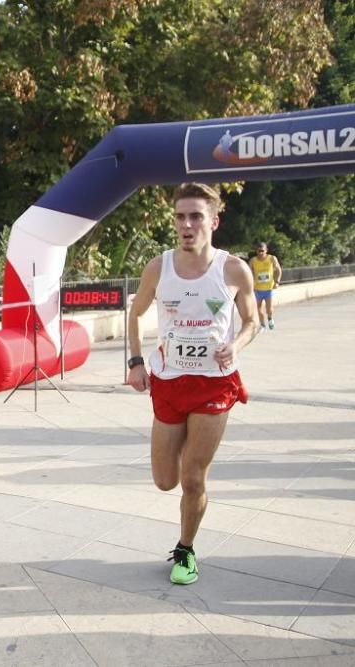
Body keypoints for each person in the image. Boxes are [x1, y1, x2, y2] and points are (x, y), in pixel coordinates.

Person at [127, 182, 259, 585]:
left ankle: (185, 550)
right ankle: (183, 452)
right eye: (180, 217)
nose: (187, 225)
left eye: (196, 216)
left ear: (214, 221)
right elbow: (134, 315)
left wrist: (235, 345)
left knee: (193, 477)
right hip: (168, 383)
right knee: (166, 480)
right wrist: (135, 362)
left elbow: (252, 321)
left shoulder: (234, 268)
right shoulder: (158, 267)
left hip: (214, 386)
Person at [249, 242, 282, 331]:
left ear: (266, 251)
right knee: (257, 309)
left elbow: (278, 270)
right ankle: (262, 324)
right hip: (257, 289)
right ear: (256, 251)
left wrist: (277, 282)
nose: (260, 253)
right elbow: (248, 273)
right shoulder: (253, 260)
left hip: (268, 289)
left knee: (269, 309)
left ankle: (270, 319)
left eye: (262, 251)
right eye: (258, 251)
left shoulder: (271, 258)